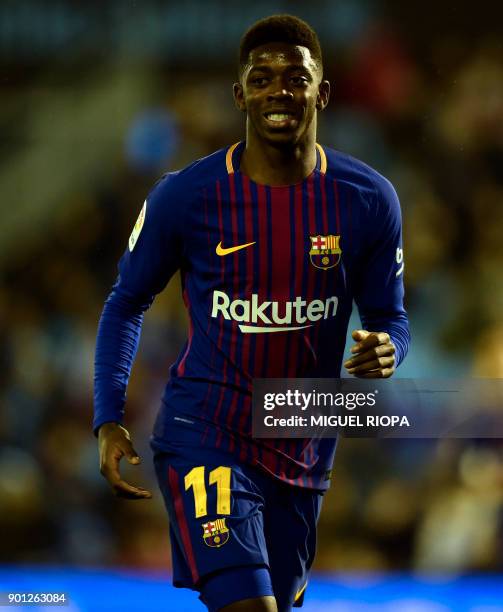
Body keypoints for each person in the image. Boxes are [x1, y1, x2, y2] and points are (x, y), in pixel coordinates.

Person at [94, 14, 410, 612]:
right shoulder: (186, 196)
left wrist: (390, 348)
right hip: (205, 432)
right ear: (240, 94)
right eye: (261, 79)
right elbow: (126, 302)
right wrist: (109, 415)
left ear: (323, 92)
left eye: (295, 77)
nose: (278, 92)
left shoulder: (369, 199)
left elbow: (391, 319)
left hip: (303, 443)